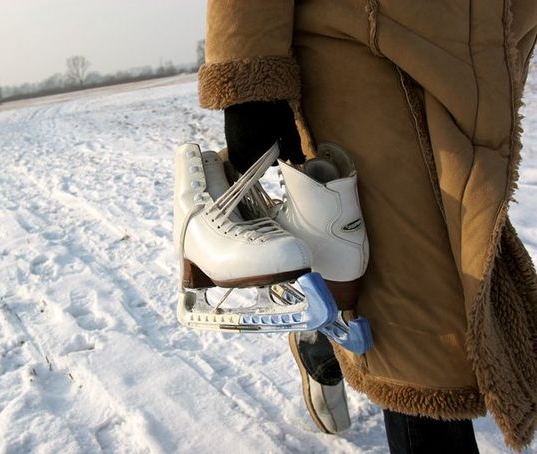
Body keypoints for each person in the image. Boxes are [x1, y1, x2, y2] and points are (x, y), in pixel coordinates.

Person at [197, 1, 537, 452]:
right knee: (420, 323)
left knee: (464, 244)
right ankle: (338, 331)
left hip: (484, 44)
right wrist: (248, 80)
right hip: (361, 40)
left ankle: (323, 328)